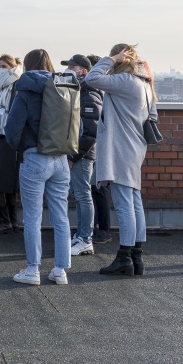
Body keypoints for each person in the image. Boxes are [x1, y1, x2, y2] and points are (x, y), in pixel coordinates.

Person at [85, 44, 155, 276]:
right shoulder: (145, 83)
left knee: (125, 203)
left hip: (121, 149)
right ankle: (136, 257)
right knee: (134, 202)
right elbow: (152, 116)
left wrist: (110, 59)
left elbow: (92, 79)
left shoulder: (125, 80)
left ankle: (125, 257)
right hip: (135, 147)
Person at [4, 49, 72, 286]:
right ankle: (60, 271)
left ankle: (33, 270)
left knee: (33, 216)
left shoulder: (24, 89)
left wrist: (23, 148)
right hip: (61, 159)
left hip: (34, 157)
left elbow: (11, 129)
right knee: (60, 216)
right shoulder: (64, 87)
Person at [62, 54, 103, 257]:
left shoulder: (89, 92)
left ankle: (86, 239)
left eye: (73, 67)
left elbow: (89, 132)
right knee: (79, 196)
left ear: (84, 71)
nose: (69, 70)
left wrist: (74, 156)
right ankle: (81, 235)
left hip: (82, 154)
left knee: (83, 195)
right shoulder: (80, 90)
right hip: (78, 153)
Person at [0, 54, 23, 234]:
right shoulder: (2, 86)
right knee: (2, 181)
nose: (0, 69)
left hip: (8, 139)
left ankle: (9, 220)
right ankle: (10, 220)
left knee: (5, 182)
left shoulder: (15, 86)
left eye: (3, 65)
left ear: (11, 67)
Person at [86, 53, 113, 245]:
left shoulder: (97, 87)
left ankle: (103, 229)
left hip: (98, 144)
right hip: (101, 143)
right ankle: (100, 228)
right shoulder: (105, 87)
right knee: (97, 188)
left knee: (98, 188)